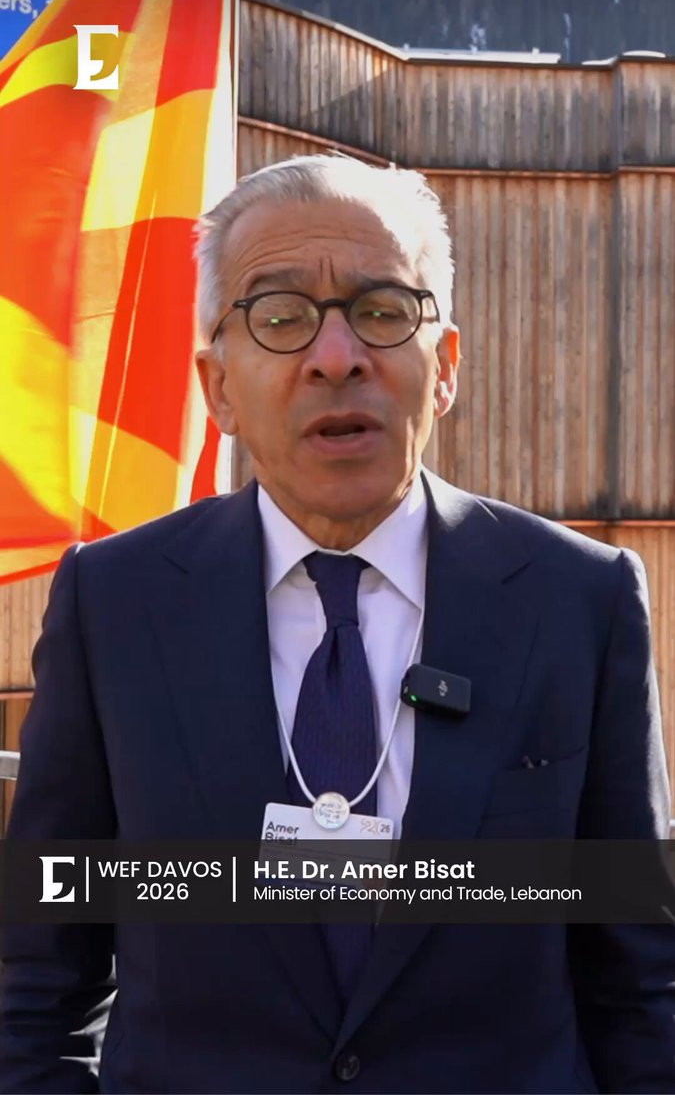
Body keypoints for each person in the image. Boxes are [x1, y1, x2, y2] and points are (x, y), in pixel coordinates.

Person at [0, 153, 673, 1094]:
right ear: (218, 388)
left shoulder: (578, 599)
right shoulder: (116, 602)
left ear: (443, 367)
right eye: (279, 318)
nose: (336, 356)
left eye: (381, 310)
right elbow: (39, 974)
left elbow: (641, 985)